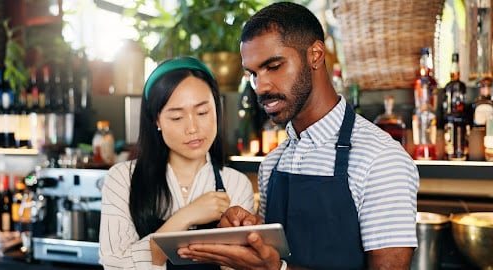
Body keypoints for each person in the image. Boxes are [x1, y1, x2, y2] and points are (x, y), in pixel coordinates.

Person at [178, 2, 419, 270]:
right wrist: (248, 235)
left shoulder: (380, 160)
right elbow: (274, 254)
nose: (261, 87)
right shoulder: (273, 164)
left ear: (315, 55)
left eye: (274, 66)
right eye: (253, 74)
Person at [98, 56, 255, 270]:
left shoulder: (236, 184)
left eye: (202, 112)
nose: (193, 128)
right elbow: (116, 264)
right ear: (157, 120)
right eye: (177, 117)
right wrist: (187, 215)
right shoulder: (123, 179)